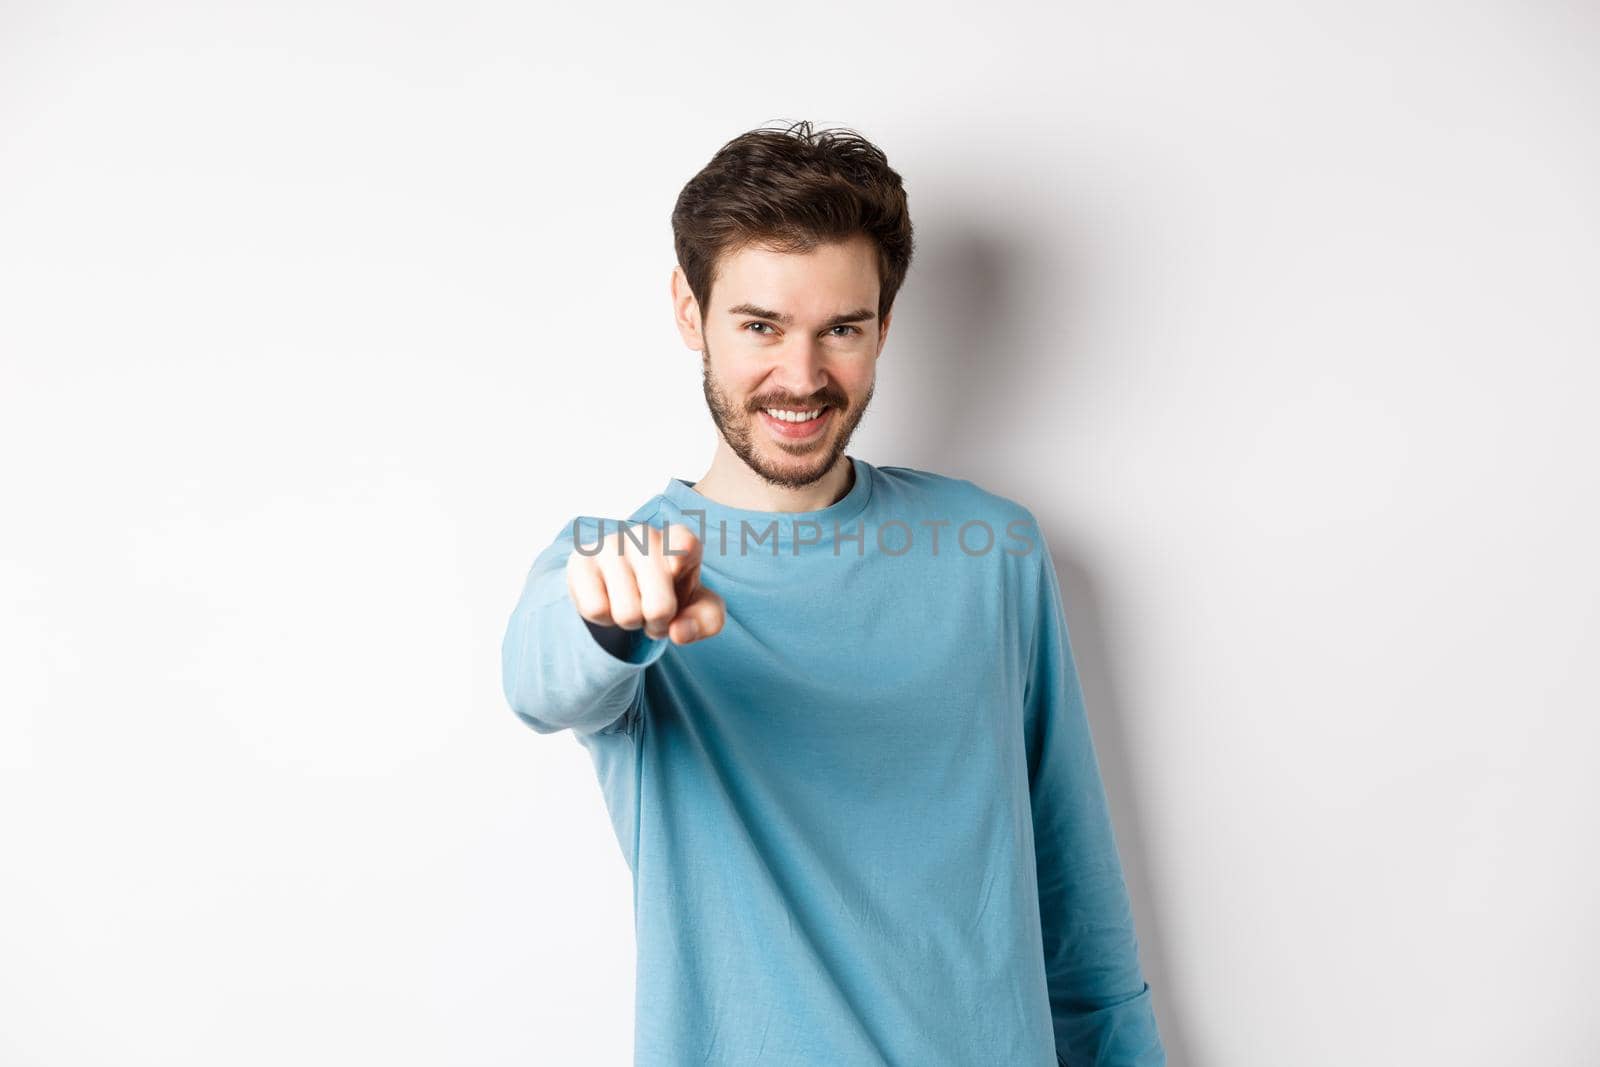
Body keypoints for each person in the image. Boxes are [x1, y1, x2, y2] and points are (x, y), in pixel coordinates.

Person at [500, 120, 1166, 1066]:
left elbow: (1075, 889)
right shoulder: (624, 566)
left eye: (841, 329)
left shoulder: (992, 550)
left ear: (885, 326)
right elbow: (539, 676)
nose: (802, 378)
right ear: (691, 313)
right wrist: (606, 619)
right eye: (761, 325)